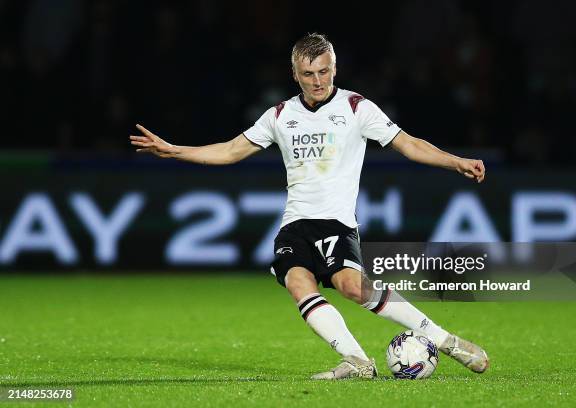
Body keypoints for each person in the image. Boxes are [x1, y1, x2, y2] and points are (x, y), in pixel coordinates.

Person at [130, 33, 489, 380]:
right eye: (308, 74)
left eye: (324, 71)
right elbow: (231, 150)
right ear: (294, 75)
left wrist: (455, 161)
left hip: (337, 222)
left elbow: (408, 144)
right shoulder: (280, 115)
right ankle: (357, 360)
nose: (317, 81)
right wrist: (175, 150)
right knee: (298, 282)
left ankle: (445, 340)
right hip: (295, 224)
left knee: (352, 287)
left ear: (335, 68)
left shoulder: (355, 107)